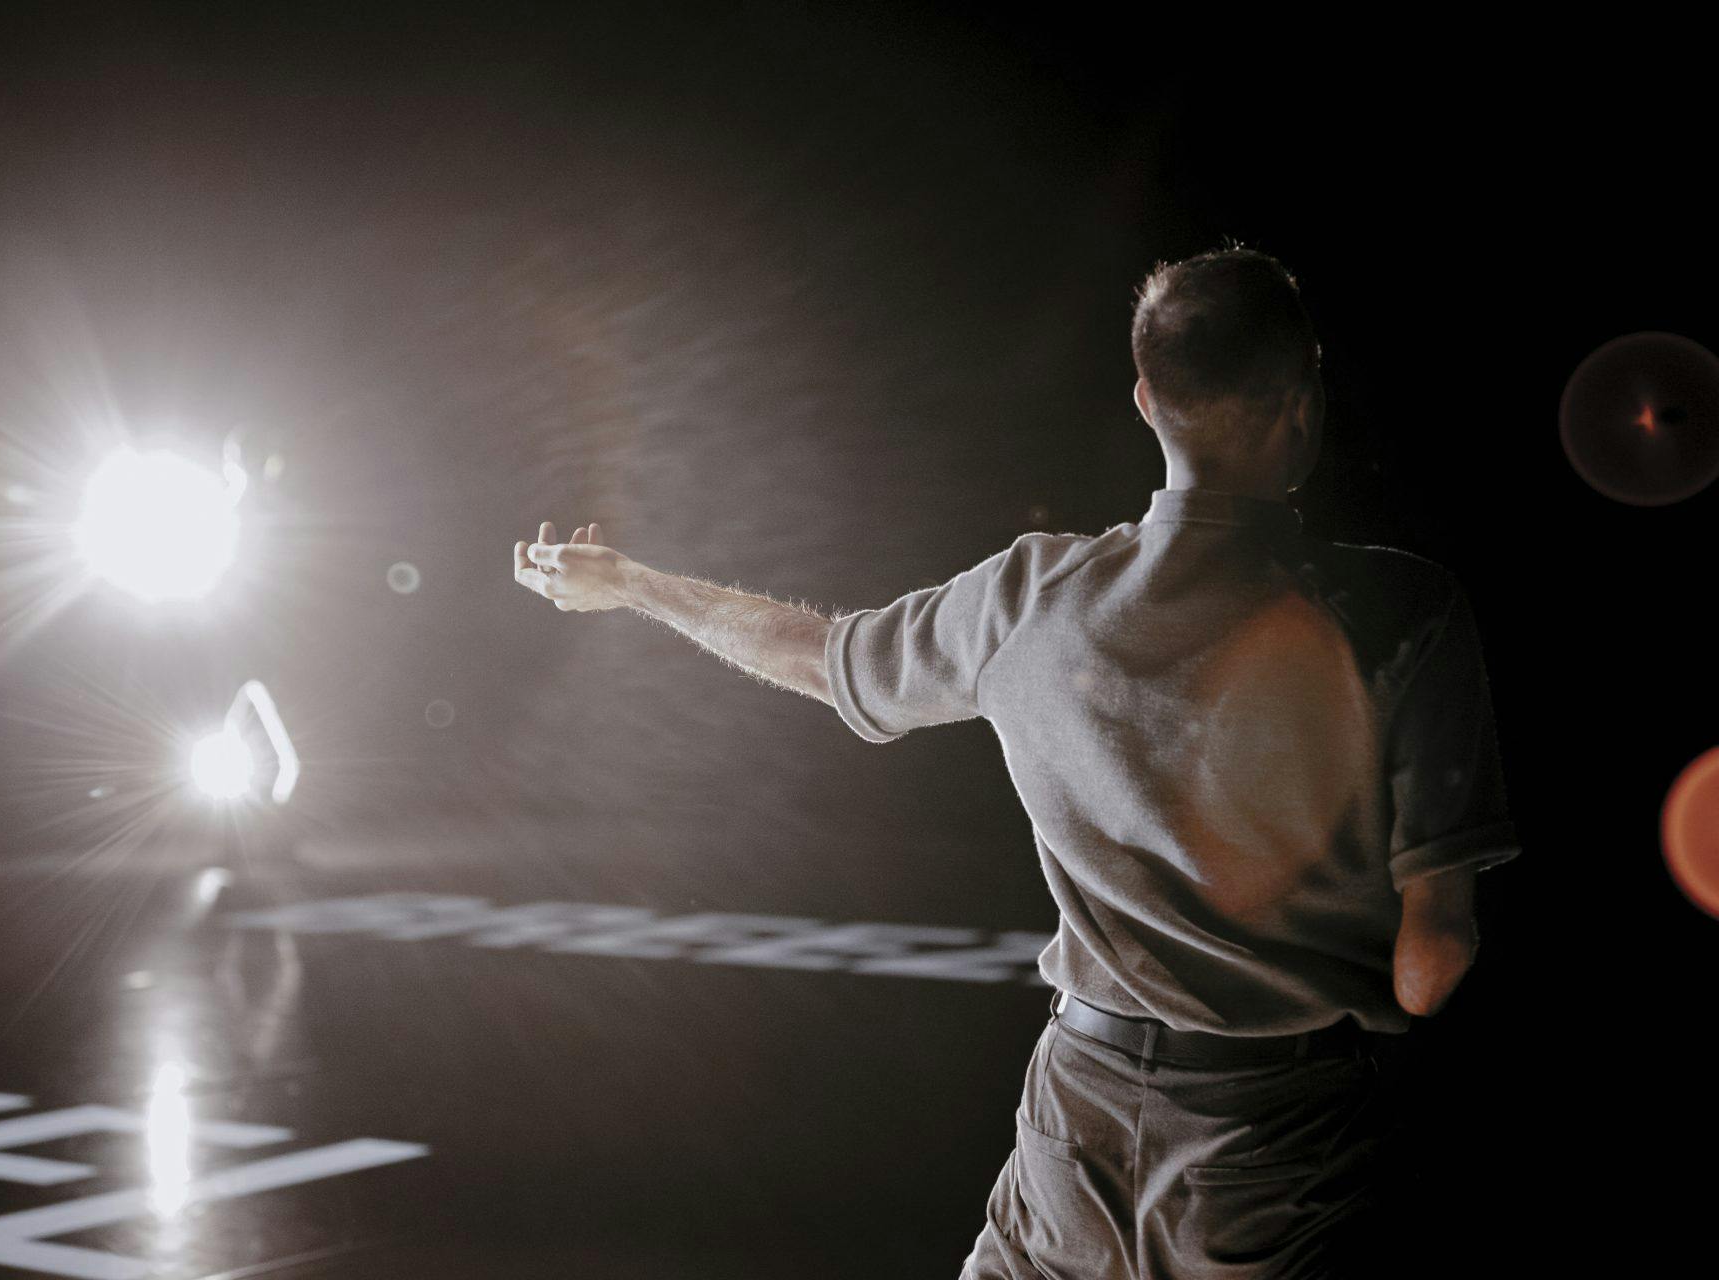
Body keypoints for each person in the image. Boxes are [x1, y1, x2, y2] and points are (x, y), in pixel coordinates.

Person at [510, 246, 1519, 1278]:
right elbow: (1432, 964)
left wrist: (633, 583)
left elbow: (810, 652)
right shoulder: (1405, 615)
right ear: (1302, 395)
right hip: (1282, 1143)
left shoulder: (1029, 596)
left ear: (1144, 399)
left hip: (1074, 1112)